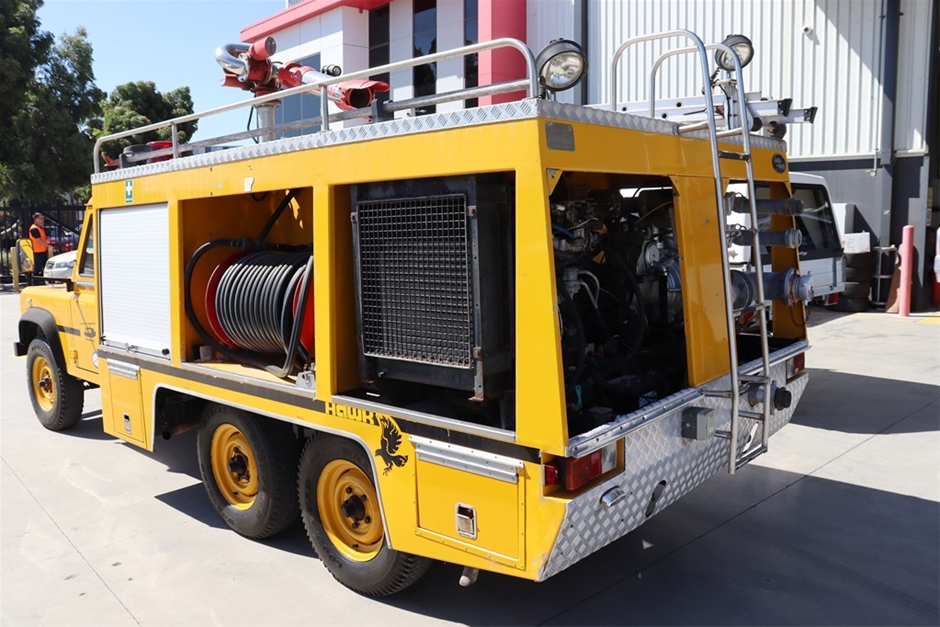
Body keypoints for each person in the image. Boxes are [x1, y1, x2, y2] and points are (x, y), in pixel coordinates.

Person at [28, 213, 51, 285]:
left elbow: (43, 239)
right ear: (36, 219)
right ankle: (34, 285)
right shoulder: (34, 229)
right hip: (37, 252)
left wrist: (47, 240)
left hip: (42, 251)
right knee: (37, 270)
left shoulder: (40, 228)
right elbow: (39, 240)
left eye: (43, 218)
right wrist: (48, 245)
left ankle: (47, 283)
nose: (42, 220)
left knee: (46, 268)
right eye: (41, 218)